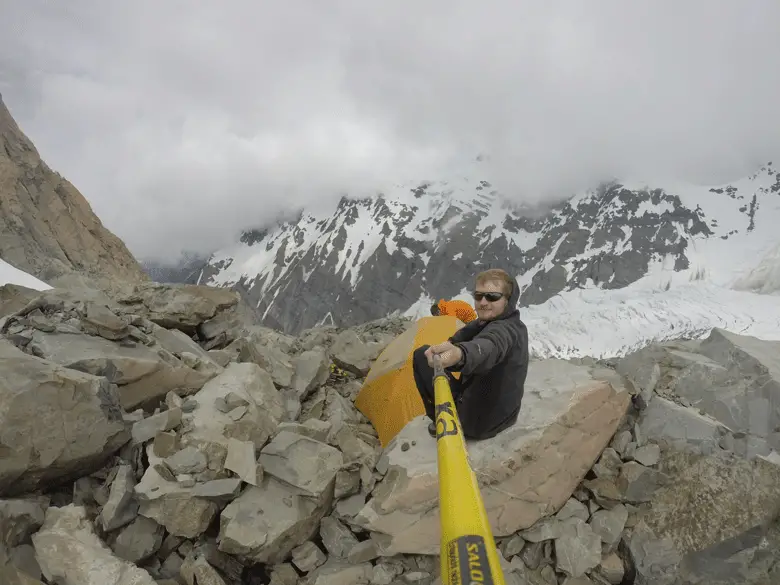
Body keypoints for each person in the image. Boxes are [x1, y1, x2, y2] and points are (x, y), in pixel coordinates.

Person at [412, 268, 529, 440]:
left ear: (508, 300)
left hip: (478, 423)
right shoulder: (507, 321)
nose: (483, 302)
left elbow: (488, 346)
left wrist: (460, 354)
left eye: (492, 297)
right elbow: (472, 328)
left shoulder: (504, 330)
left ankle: (444, 420)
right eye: (478, 296)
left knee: (421, 356)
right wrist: (451, 343)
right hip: (503, 415)